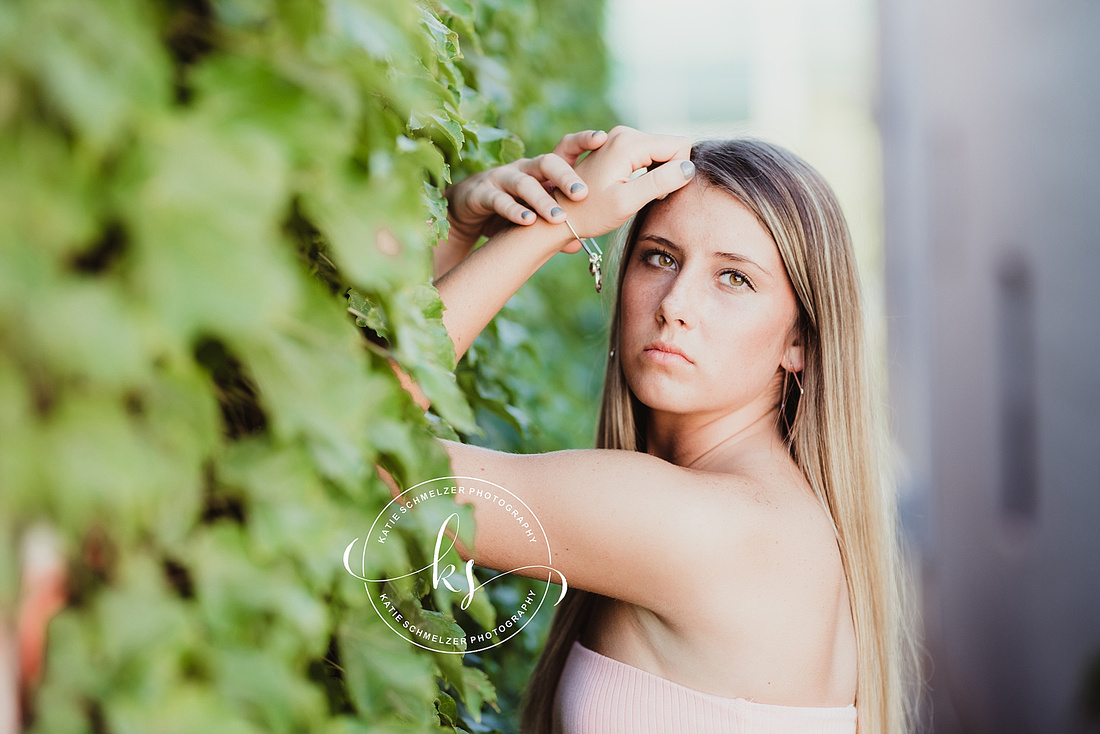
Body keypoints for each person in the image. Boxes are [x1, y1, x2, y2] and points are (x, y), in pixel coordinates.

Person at [408, 126, 917, 733]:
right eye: (660, 257)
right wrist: (457, 232)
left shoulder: (714, 525)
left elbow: (371, 454)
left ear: (799, 340)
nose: (675, 301)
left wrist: (550, 227)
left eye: (734, 278)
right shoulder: (770, 512)